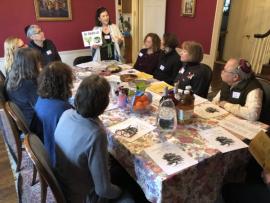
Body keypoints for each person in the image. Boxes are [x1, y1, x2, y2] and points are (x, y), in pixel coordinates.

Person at [54, 75, 134, 203]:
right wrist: (122, 191)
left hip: (64, 180)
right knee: (133, 192)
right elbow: (103, 190)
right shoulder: (96, 134)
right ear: (104, 103)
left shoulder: (66, 113)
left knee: (118, 168)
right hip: (83, 195)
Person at [33, 61, 73, 166]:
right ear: (64, 83)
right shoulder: (64, 110)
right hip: (60, 160)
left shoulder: (42, 98)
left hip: (47, 148)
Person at [5, 48, 41, 126]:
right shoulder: (28, 83)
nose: (39, 64)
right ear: (31, 65)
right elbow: (41, 108)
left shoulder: (12, 75)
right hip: (34, 122)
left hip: (26, 117)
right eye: (37, 61)